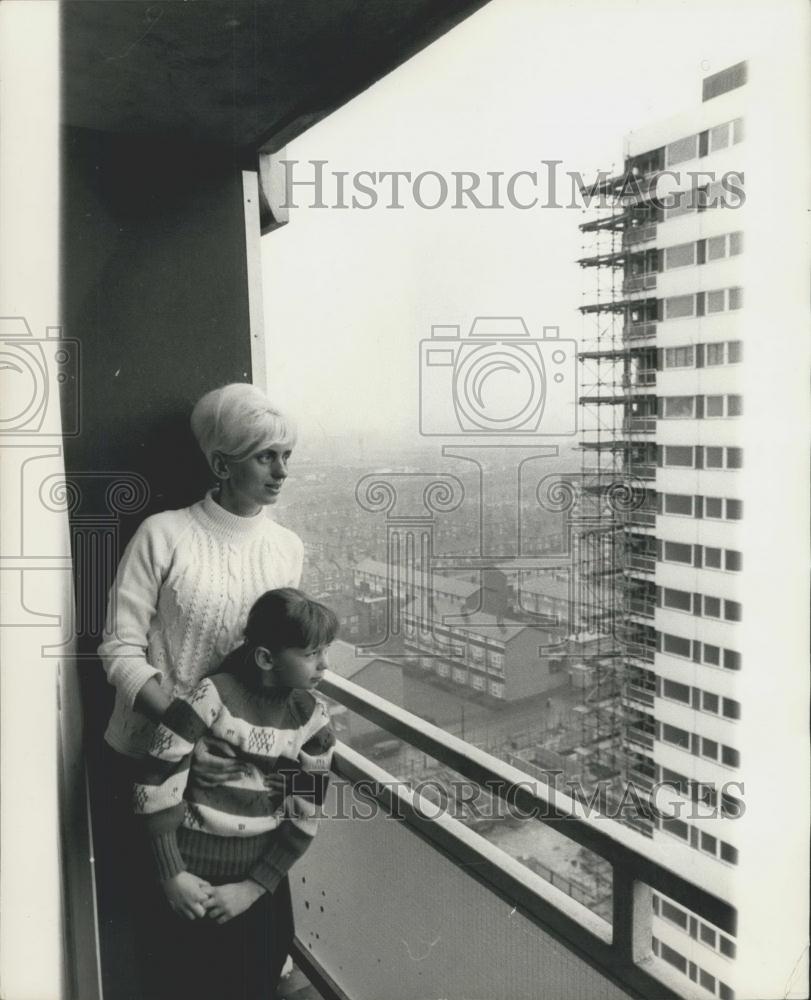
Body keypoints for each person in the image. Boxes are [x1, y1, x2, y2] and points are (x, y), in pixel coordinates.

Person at [95, 383, 304, 998]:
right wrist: (190, 731)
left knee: (249, 945)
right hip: (149, 765)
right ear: (221, 463)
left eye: (285, 455)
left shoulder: (287, 549)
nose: (281, 471)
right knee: (177, 950)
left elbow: (279, 665)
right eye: (266, 455)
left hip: (241, 772)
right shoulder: (163, 535)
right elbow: (119, 649)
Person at [133, 588, 337, 1000]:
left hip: (255, 886)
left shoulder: (312, 720)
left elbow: (306, 812)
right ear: (266, 659)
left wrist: (254, 888)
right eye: (312, 654)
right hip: (188, 878)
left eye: (325, 651)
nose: (325, 665)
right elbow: (156, 778)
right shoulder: (212, 695)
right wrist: (172, 874)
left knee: (252, 984)